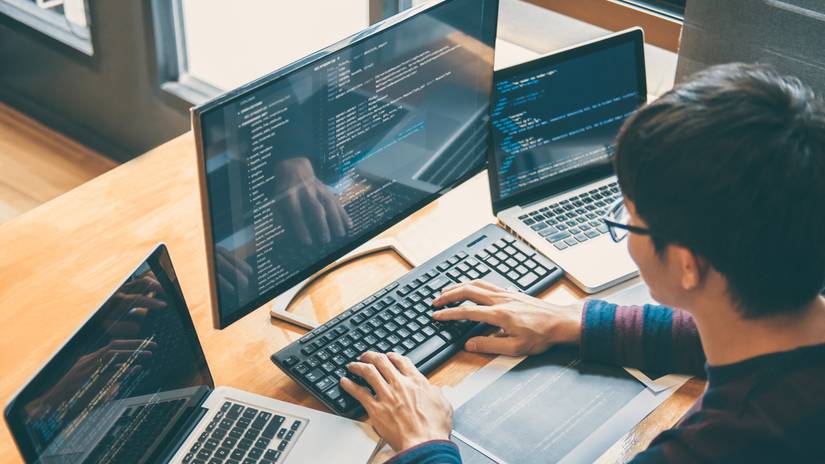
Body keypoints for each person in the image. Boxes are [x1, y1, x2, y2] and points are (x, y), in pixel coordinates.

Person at [337, 63, 825, 462]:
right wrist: (576, 321)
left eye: (628, 218)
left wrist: (424, 445)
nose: (624, 232)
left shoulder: (723, 444)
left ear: (687, 265)